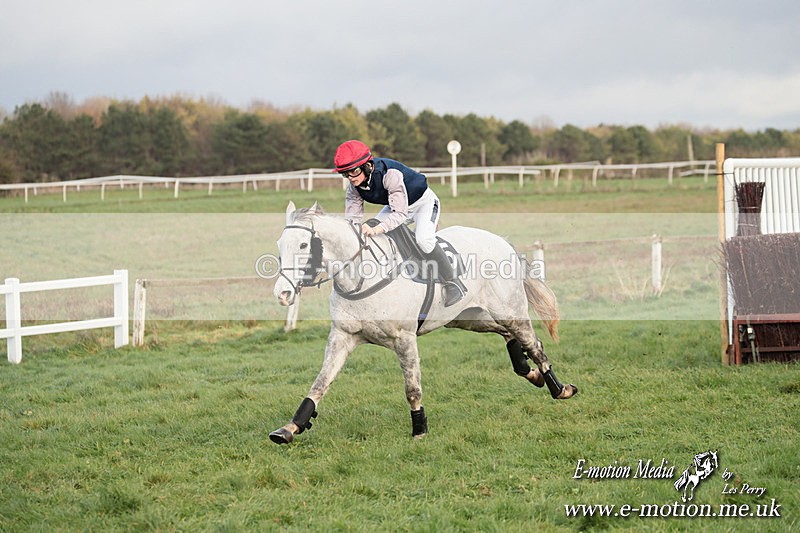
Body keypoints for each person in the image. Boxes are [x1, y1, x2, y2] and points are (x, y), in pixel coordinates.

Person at [334, 139, 466, 307]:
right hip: (396, 205)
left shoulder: (390, 174)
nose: (350, 178)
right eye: (345, 174)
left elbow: (400, 214)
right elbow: (352, 220)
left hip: (423, 204)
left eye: (353, 172)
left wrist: (377, 229)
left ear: (367, 166)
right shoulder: (354, 188)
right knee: (369, 227)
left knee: (424, 240)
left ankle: (453, 282)